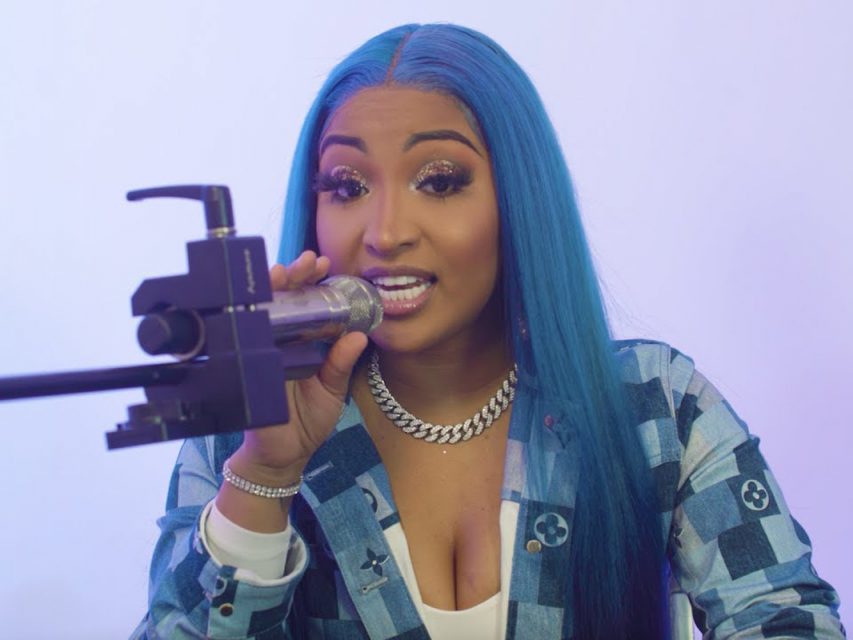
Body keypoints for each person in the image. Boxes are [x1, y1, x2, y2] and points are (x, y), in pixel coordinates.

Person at [132, 23, 844, 640]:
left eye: (439, 181)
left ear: (518, 201)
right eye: (347, 187)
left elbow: (787, 619)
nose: (384, 233)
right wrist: (265, 477)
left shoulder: (657, 407)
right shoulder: (246, 429)